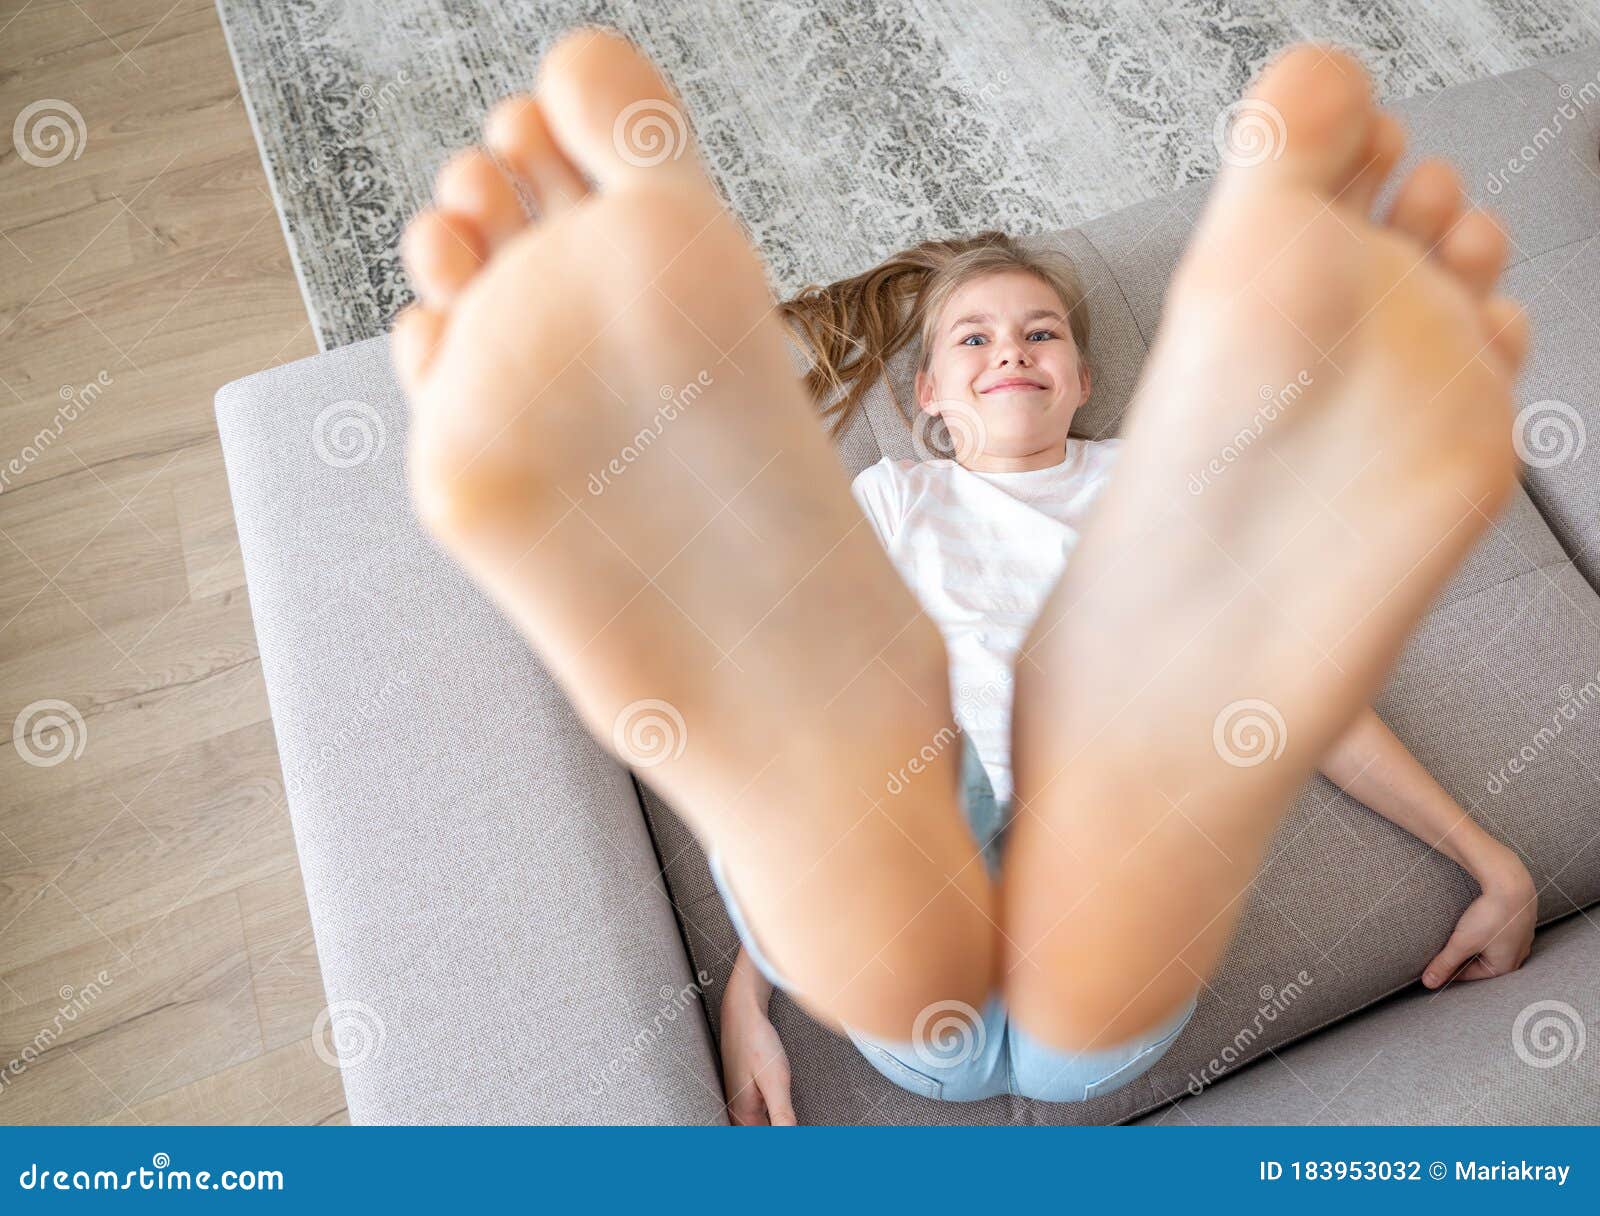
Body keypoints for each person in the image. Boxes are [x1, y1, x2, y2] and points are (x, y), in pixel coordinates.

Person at [389, 29, 1535, 1120]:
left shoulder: (1151, 483)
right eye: (974, 339)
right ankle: (1012, 783)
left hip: (1070, 910)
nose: (1011, 352)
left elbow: (1311, 706)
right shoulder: (892, 501)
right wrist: (748, 993)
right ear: (925, 397)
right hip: (918, 841)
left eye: (1040, 333)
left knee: (1131, 771)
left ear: (1084, 377)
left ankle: (1116, 779)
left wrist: (1490, 861)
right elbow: (816, 757)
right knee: (867, 754)